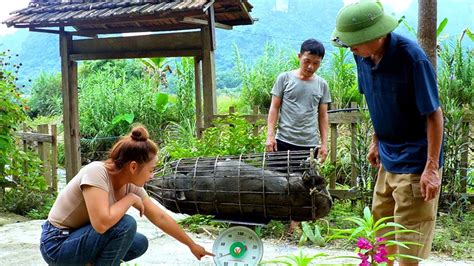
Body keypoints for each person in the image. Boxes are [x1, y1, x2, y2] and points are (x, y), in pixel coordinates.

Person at [331, 1, 444, 265]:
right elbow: (376, 101)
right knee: (379, 240)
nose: (351, 48)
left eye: (355, 42)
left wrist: (431, 167)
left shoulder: (412, 59)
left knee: (406, 246)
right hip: (388, 156)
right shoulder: (361, 55)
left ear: (377, 35)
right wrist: (375, 140)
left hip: (416, 161)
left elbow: (434, 114)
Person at [40, 126, 214, 265]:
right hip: (57, 244)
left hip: (79, 238)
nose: (152, 176)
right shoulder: (96, 173)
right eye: (151, 170)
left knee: (138, 243)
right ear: (133, 167)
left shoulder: (130, 184)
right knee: (125, 225)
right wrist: (130, 199)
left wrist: (191, 245)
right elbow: (101, 224)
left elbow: (159, 217)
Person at [266, 38, 331, 233]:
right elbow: (274, 108)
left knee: (302, 186)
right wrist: (270, 135)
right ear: (299, 57)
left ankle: (294, 224)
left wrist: (324, 143)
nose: (311, 66)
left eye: (316, 63)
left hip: (308, 145)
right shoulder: (284, 78)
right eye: (307, 61)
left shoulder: (322, 85)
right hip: (282, 141)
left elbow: (323, 115)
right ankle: (273, 220)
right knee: (274, 181)